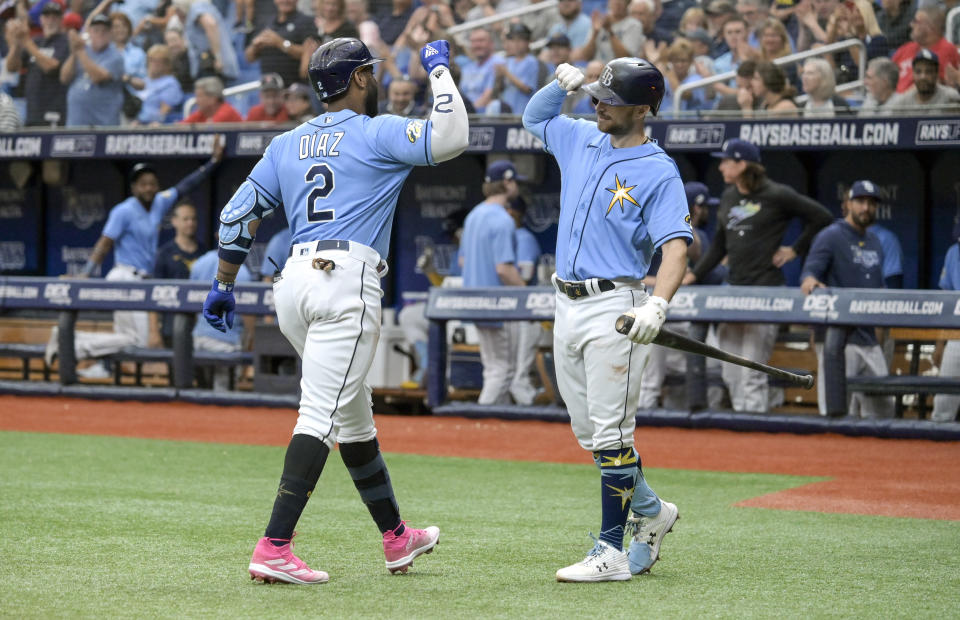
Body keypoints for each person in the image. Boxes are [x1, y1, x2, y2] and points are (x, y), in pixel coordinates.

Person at [201, 37, 468, 584]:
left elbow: (237, 216)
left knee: (352, 416)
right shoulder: (376, 131)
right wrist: (439, 71)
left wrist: (223, 283)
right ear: (362, 79)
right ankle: (274, 545)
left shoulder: (287, 143)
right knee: (320, 413)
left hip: (294, 284)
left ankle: (397, 539)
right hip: (345, 283)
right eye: (368, 72)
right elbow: (453, 135)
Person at [523, 58, 688, 582]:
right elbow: (534, 119)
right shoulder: (581, 137)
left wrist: (656, 305)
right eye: (597, 96)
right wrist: (557, 87)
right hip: (565, 302)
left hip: (615, 305)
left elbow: (676, 248)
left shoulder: (659, 169)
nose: (598, 105)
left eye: (610, 100)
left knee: (613, 434)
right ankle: (654, 513)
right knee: (590, 436)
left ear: (643, 109)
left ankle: (610, 549)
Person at [44, 142, 224, 373]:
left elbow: (186, 186)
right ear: (134, 187)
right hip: (124, 276)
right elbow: (104, 243)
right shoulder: (123, 210)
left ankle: (70, 342)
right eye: (143, 184)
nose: (148, 188)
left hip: (143, 280)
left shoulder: (160, 202)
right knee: (138, 341)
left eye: (151, 183)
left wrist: (213, 162)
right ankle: (70, 345)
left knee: (127, 338)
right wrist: (85, 275)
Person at [685, 138, 832, 412]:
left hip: (764, 291)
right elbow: (719, 244)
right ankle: (742, 431)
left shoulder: (776, 194)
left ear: (742, 164)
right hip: (733, 289)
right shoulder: (729, 196)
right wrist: (693, 276)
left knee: (751, 373)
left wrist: (794, 249)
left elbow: (821, 216)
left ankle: (752, 432)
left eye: (726, 161)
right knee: (730, 371)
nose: (721, 168)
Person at [800, 180, 895, 419]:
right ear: (847, 204)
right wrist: (811, 281)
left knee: (883, 410)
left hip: (868, 338)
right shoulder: (830, 236)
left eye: (872, 203)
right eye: (860, 201)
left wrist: (879, 333)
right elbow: (809, 274)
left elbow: (877, 287)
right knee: (839, 411)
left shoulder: (875, 241)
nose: (866, 208)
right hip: (838, 340)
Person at [638, 181, 722, 410]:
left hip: (685, 311)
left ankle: (700, 423)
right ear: (696, 207)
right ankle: (648, 416)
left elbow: (695, 248)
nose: (707, 212)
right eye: (703, 207)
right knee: (651, 376)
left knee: (712, 369)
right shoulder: (648, 226)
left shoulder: (694, 233)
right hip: (651, 307)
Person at [460, 160, 527, 405]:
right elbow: (504, 269)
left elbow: (463, 262)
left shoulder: (474, 215)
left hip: (476, 301)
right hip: (500, 303)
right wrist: (527, 295)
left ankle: (491, 430)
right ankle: (479, 423)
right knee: (503, 370)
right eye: (515, 180)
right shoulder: (502, 219)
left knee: (493, 369)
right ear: (507, 182)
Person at [190, 249, 256, 390]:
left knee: (202, 391)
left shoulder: (200, 262)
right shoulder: (241, 271)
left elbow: (190, 303)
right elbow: (249, 314)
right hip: (226, 342)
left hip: (198, 338)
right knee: (223, 395)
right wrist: (251, 342)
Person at [4, 1, 69, 126]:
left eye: (55, 17)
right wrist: (17, 44)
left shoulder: (65, 41)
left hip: (55, 109)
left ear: (61, 20)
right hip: (32, 110)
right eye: (47, 17)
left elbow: (51, 67)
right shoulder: (36, 41)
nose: (50, 21)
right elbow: (11, 67)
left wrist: (26, 41)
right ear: (41, 19)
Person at [153, 202, 205, 348]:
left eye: (193, 219)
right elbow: (153, 293)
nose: (190, 223)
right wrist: (154, 331)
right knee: (175, 370)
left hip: (200, 326)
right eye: (185, 219)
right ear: (174, 221)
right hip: (171, 325)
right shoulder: (165, 253)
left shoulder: (204, 252)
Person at [60, 15, 125, 127]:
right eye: (96, 30)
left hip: (102, 125)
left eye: (104, 31)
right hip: (76, 124)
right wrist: (74, 52)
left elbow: (97, 77)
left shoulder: (115, 56)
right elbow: (64, 78)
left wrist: (80, 51)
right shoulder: (83, 51)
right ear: (89, 32)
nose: (100, 34)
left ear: (110, 34)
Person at [244, 0, 314, 88]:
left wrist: (280, 43)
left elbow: (310, 54)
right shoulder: (265, 23)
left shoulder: (307, 22)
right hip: (269, 89)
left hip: (295, 89)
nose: (285, 1)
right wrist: (255, 46)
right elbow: (249, 58)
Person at [890, 6, 959, 93]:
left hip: (919, 103)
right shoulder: (906, 48)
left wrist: (898, 102)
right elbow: (888, 76)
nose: (911, 24)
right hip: (893, 101)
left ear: (930, 26)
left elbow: (933, 84)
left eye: (916, 21)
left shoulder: (946, 50)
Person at [172, 0, 239, 82]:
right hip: (206, 66)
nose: (176, 13)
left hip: (212, 66)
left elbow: (210, 24)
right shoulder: (191, 13)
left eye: (177, 9)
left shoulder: (197, 7)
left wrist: (217, 57)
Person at [933, 231, 960, 422]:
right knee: (943, 405)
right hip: (956, 334)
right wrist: (940, 343)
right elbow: (946, 303)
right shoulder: (954, 252)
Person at [572, 0, 646, 63]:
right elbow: (586, 56)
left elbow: (626, 59)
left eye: (621, 1)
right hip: (598, 72)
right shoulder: (600, 20)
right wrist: (595, 33)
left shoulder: (634, 25)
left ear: (628, 3)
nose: (617, 3)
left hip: (622, 73)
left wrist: (609, 31)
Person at [888, 50, 960, 112]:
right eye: (918, 72)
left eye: (928, 72)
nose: (923, 77)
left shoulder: (951, 97)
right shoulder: (902, 103)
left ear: (936, 73)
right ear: (913, 74)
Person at [493, 23, 541, 116]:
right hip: (505, 112)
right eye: (513, 40)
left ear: (528, 42)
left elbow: (527, 89)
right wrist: (499, 77)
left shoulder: (531, 61)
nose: (516, 44)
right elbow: (500, 89)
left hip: (522, 112)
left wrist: (506, 73)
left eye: (520, 40)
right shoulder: (508, 60)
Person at [134, 43, 185, 124]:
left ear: (167, 64)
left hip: (155, 125)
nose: (154, 64)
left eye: (159, 61)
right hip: (137, 121)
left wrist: (155, 123)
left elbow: (164, 111)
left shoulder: (170, 83)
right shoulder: (145, 81)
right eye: (151, 60)